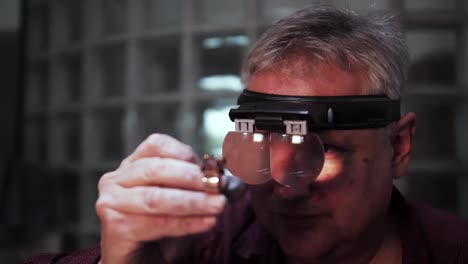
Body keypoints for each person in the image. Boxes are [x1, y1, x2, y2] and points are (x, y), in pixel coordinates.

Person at [24, 5, 468, 264]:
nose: (285, 191)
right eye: (261, 146)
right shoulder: (199, 246)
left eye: (325, 152)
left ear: (398, 148)